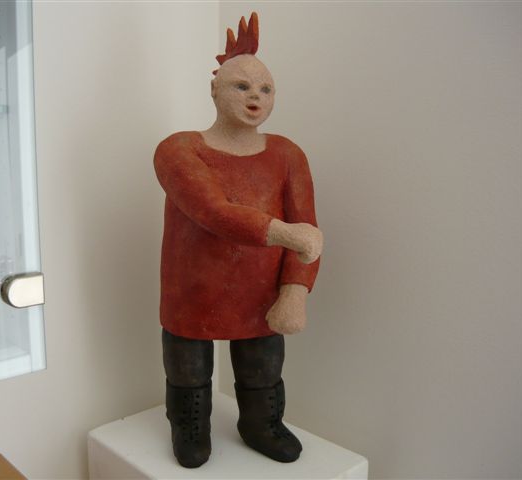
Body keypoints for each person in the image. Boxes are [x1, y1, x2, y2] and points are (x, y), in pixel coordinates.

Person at [153, 12, 324, 468]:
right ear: (214, 90)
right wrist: (286, 234)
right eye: (242, 86)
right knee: (188, 374)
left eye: (266, 89)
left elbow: (308, 227)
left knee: (262, 372)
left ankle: (261, 424)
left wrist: (294, 293)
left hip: (261, 294)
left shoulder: (287, 154)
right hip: (192, 292)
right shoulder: (178, 149)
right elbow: (213, 211)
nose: (255, 97)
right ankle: (190, 429)